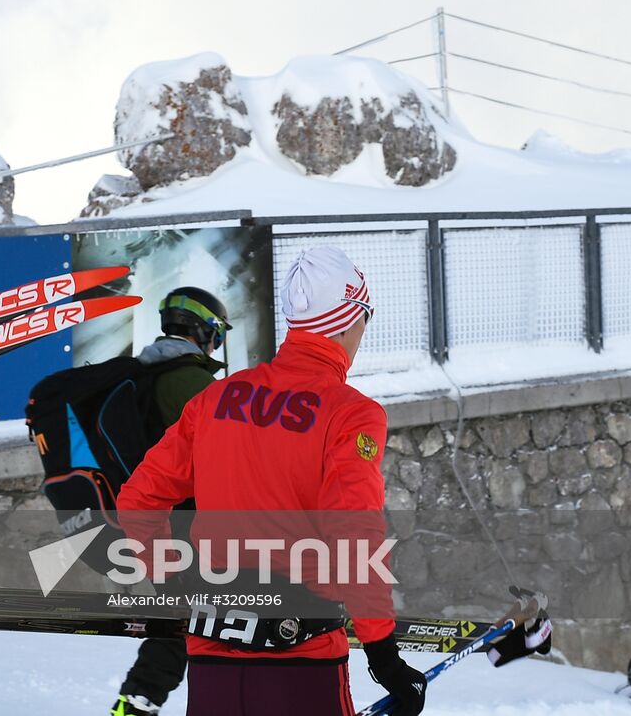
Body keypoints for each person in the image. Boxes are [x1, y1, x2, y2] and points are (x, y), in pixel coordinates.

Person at [117, 247, 427, 716]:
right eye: (366, 315)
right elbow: (353, 535)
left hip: (210, 650)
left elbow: (140, 499)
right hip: (301, 657)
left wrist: (172, 582)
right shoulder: (350, 414)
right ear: (347, 320)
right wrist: (383, 655)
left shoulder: (216, 398)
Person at [112, 287, 231, 716]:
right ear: (204, 332)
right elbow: (226, 461)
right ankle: (138, 703)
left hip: (154, 522)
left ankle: (138, 703)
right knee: (202, 624)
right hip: (191, 526)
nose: (216, 345)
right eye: (216, 335)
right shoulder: (193, 383)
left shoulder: (143, 373)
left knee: (188, 624)